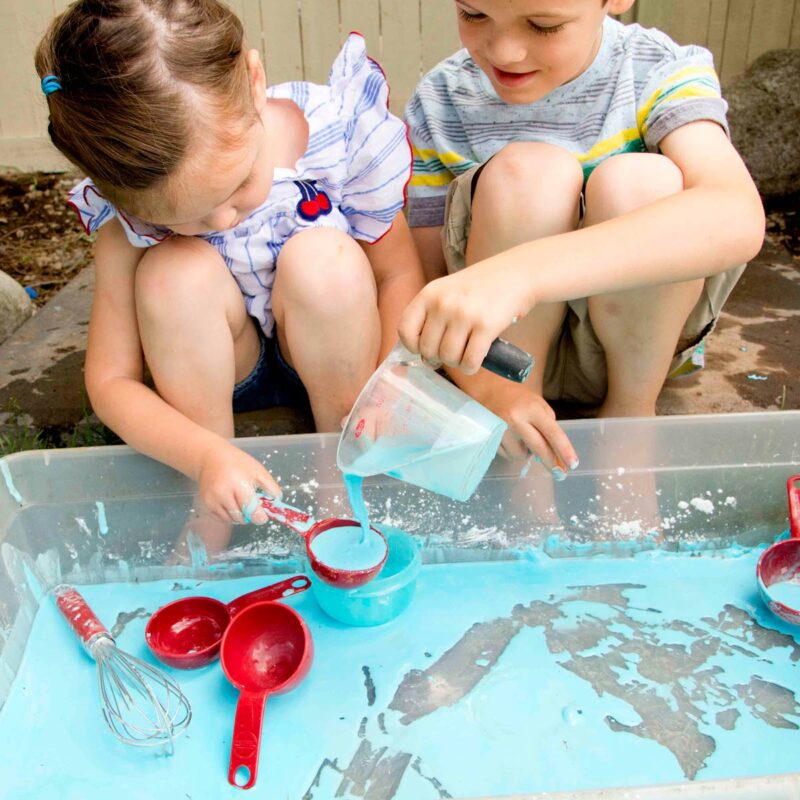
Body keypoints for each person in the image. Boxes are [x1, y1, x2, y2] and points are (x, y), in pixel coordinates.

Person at [35, 0, 423, 533]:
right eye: (187, 216)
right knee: (174, 272)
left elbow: (397, 274)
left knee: (324, 257)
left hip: (337, 350)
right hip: (222, 371)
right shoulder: (125, 212)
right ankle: (216, 510)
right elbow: (110, 379)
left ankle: (343, 479)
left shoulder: (336, 135)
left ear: (255, 78)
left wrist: (389, 383)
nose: (221, 218)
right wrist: (203, 456)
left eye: (240, 184)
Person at [399, 0, 765, 483]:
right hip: (495, 362)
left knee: (643, 181)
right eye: (474, 15)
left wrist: (521, 274)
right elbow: (427, 277)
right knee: (527, 174)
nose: (505, 51)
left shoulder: (658, 69)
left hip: (633, 356)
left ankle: (631, 428)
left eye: (544, 26)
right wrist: (487, 391)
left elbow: (735, 213)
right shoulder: (442, 98)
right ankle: (525, 471)